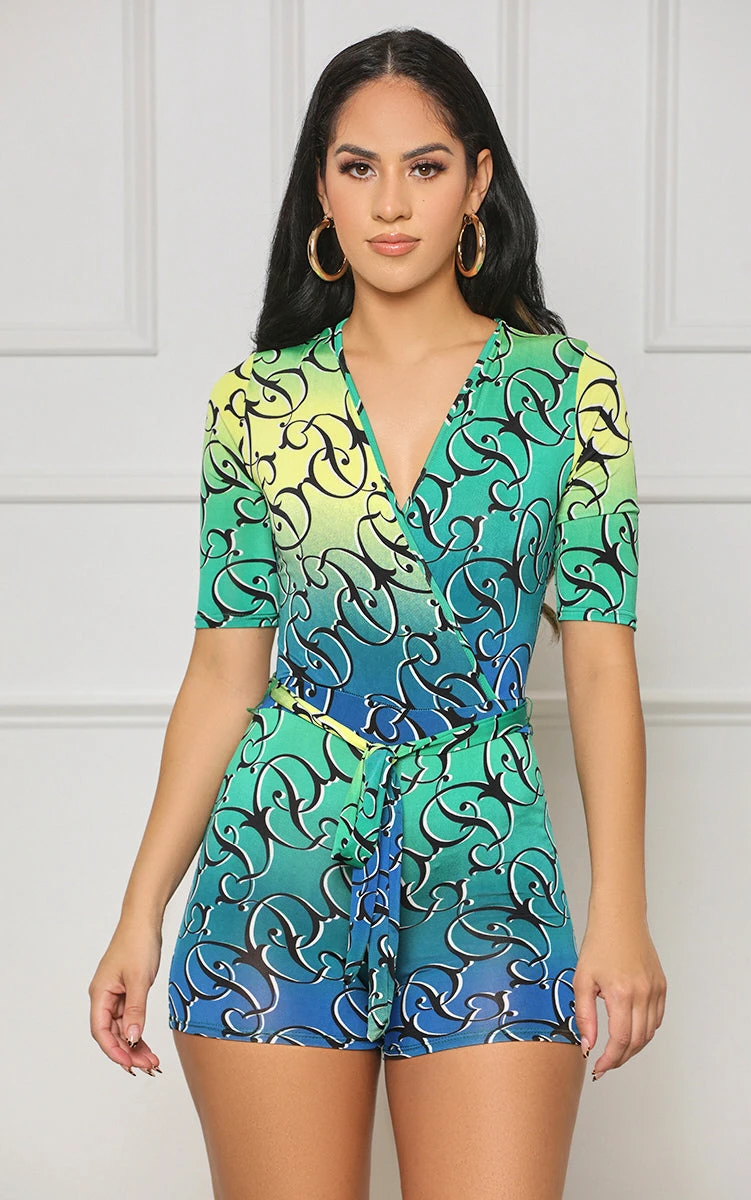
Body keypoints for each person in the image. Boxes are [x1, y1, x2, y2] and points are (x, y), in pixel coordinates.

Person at [89, 26, 666, 1200]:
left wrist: (619, 909)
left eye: (424, 166)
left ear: (477, 183)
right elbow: (223, 674)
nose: (390, 203)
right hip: (276, 866)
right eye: (358, 167)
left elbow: (601, 664)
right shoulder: (256, 404)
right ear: (321, 188)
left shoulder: (568, 393)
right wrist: (139, 911)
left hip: (488, 864)